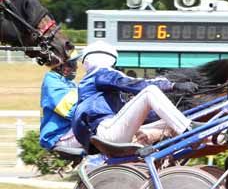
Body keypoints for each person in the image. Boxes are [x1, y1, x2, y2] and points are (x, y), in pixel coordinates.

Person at [72, 41, 200, 151]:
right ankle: (188, 129)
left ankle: (210, 137)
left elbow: (145, 114)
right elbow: (137, 84)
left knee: (168, 123)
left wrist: (171, 112)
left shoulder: (95, 87)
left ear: (87, 60)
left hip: (106, 134)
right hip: (107, 133)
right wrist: (172, 86)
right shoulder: (100, 73)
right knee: (150, 92)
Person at [39, 52, 83, 151]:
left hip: (68, 132)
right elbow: (74, 111)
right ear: (58, 66)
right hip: (57, 136)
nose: (76, 68)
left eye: (75, 64)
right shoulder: (52, 83)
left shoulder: (69, 82)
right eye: (71, 64)